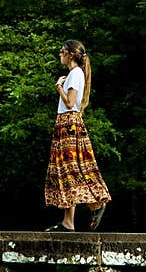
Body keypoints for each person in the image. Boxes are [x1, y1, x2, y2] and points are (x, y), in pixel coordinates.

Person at [44, 39, 111, 231]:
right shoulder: (75, 74)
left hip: (68, 124)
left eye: (62, 51)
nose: (59, 54)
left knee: (72, 170)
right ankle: (68, 221)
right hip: (68, 124)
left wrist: (58, 87)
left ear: (71, 54)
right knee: (68, 171)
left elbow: (70, 102)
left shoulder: (74, 74)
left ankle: (96, 204)